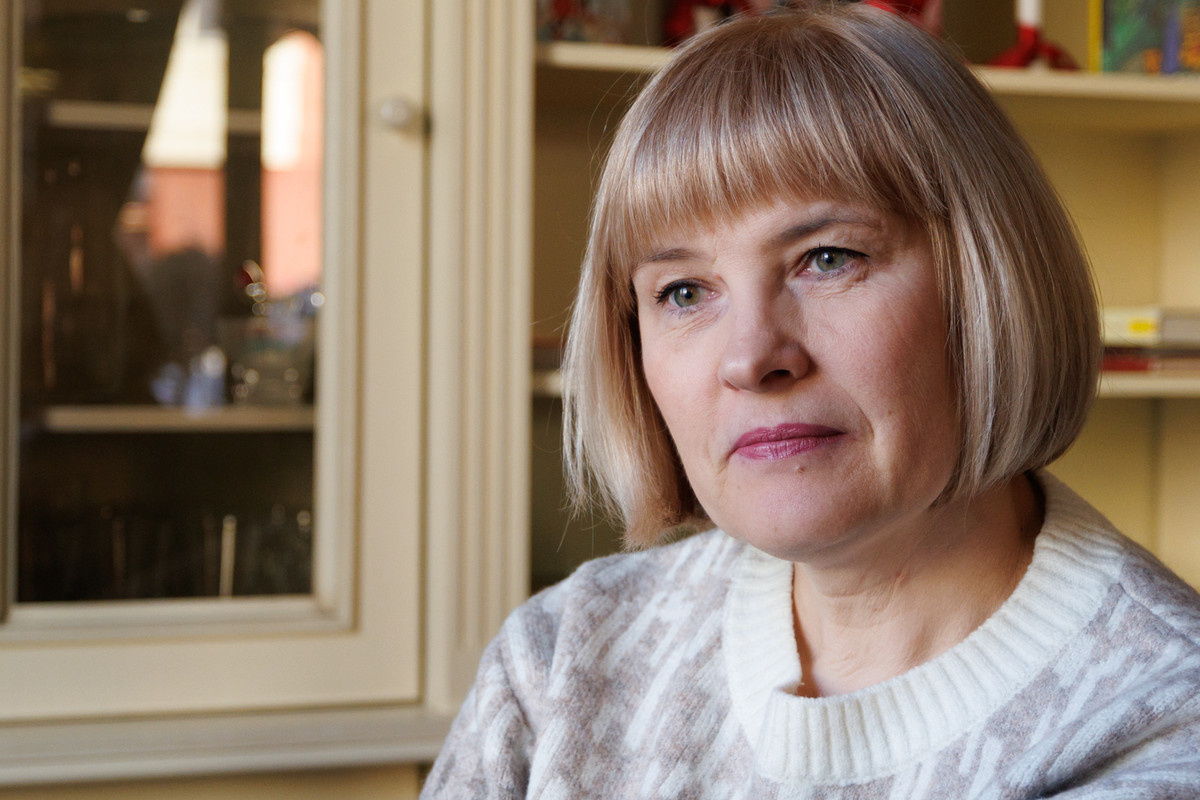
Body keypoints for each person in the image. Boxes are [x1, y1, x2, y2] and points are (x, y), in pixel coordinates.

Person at [422, 4, 1200, 797]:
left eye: (828, 258)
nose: (751, 358)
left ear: (989, 283)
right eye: (684, 291)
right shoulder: (558, 663)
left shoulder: (1162, 729)